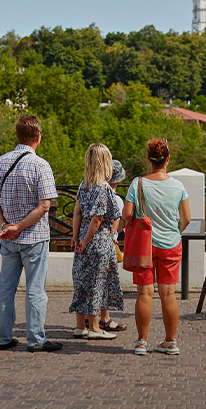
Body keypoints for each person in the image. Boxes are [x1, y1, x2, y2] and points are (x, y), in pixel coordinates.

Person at [0, 115, 63, 352]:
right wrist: (19, 227)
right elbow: (45, 205)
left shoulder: (0, 162)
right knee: (35, 289)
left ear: (17, 136)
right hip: (35, 238)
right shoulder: (41, 165)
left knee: (6, 289)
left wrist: (5, 226)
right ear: (38, 137)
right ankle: (36, 339)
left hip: (8, 239)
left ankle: (4, 337)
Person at [122, 139, 191, 355]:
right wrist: (174, 231)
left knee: (144, 293)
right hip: (171, 244)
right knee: (168, 294)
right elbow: (186, 218)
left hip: (145, 245)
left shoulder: (138, 183)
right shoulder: (178, 186)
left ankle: (142, 341)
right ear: (168, 159)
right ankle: (170, 342)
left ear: (149, 160)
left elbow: (127, 214)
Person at [69, 144, 124, 339]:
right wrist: (85, 240)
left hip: (82, 238)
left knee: (82, 281)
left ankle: (79, 326)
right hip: (98, 240)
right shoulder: (103, 187)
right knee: (96, 283)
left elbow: (77, 212)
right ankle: (94, 327)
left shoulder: (84, 184)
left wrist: (76, 238)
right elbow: (97, 219)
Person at [98, 159, 127, 332]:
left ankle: (88, 319)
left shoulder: (93, 190)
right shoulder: (116, 199)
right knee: (105, 283)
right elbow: (119, 224)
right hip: (107, 243)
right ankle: (104, 319)